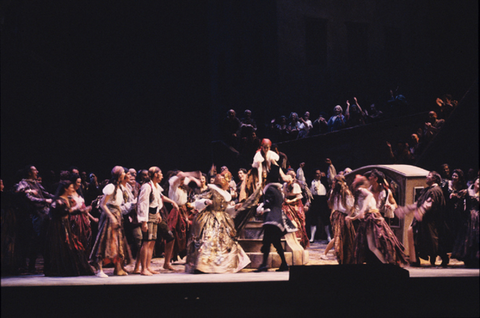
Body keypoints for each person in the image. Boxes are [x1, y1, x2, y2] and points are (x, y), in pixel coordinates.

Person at [185, 170, 251, 273]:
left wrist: (234, 208)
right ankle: (203, 265)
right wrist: (205, 202)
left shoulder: (226, 194)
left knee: (226, 242)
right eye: (227, 182)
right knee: (208, 239)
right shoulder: (212, 190)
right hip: (210, 218)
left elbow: (226, 208)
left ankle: (223, 265)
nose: (229, 184)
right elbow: (198, 200)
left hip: (223, 219)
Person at [347, 175, 407, 266]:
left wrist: (362, 210)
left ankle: (386, 263)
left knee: (373, 246)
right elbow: (361, 212)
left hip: (371, 218)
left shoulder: (361, 190)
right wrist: (352, 218)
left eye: (355, 180)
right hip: (373, 217)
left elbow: (369, 197)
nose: (353, 181)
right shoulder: (362, 192)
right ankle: (386, 263)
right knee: (375, 245)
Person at [395, 171, 450, 267]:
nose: (426, 177)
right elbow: (418, 203)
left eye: (429, 175)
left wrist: (421, 211)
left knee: (432, 241)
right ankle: (415, 260)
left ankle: (443, 258)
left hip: (431, 222)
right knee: (416, 238)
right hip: (423, 221)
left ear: (434, 179)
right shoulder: (427, 190)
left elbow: (429, 203)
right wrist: (405, 209)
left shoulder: (435, 191)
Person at [43, 180, 95, 277]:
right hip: (58, 227)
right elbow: (63, 212)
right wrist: (77, 208)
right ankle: (60, 269)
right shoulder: (58, 200)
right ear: (65, 189)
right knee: (61, 246)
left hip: (66, 225)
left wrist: (83, 210)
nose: (73, 189)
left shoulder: (67, 199)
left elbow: (70, 212)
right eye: (71, 187)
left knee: (72, 246)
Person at [90, 166, 132, 278]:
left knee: (117, 243)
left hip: (117, 214)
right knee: (104, 241)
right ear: (118, 175)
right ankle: (99, 269)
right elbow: (103, 204)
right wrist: (111, 217)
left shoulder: (119, 187)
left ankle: (118, 268)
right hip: (109, 216)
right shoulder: (111, 187)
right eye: (123, 172)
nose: (125, 174)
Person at [136, 167, 178, 274]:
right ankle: (143, 268)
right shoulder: (147, 186)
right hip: (148, 215)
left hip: (154, 214)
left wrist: (158, 212)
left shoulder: (156, 186)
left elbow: (159, 199)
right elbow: (143, 204)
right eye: (160, 173)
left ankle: (148, 266)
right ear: (155, 174)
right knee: (146, 242)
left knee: (152, 242)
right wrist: (144, 221)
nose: (162, 176)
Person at [14, 165, 54, 273]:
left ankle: (45, 265)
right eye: (34, 170)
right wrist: (44, 200)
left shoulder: (35, 183)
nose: (37, 171)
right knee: (37, 240)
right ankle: (31, 265)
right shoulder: (24, 183)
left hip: (44, 213)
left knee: (43, 239)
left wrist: (59, 197)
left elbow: (46, 193)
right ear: (29, 172)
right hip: (35, 215)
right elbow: (28, 197)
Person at [255, 183, 297, 272]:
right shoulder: (278, 191)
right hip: (277, 218)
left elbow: (268, 202)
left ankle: (264, 265)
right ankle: (283, 264)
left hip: (272, 219)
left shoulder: (270, 189)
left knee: (267, 242)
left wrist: (261, 206)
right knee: (275, 242)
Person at [168, 170, 202, 264]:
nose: (183, 180)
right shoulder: (173, 186)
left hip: (183, 210)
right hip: (176, 211)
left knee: (186, 233)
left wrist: (194, 177)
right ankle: (170, 257)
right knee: (175, 233)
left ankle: (186, 255)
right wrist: (187, 174)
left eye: (183, 179)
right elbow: (177, 179)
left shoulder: (182, 185)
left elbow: (190, 179)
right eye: (181, 179)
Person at [320, 175, 355, 263]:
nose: (334, 184)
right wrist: (332, 214)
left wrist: (349, 217)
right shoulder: (335, 193)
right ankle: (325, 253)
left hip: (343, 216)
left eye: (335, 182)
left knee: (347, 236)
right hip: (339, 216)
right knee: (338, 236)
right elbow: (334, 206)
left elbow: (352, 207)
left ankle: (347, 256)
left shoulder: (346, 192)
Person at [452, 178, 479, 268]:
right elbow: (458, 198)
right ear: (474, 183)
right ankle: (468, 258)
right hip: (469, 217)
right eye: (478, 182)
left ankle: (476, 258)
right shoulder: (468, 192)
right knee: (468, 237)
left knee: (476, 238)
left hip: (478, 218)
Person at [69, 174, 98, 255]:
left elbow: (84, 210)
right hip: (74, 220)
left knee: (86, 239)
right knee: (77, 240)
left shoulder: (78, 193)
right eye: (78, 182)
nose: (79, 184)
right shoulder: (68, 195)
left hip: (83, 219)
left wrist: (93, 218)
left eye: (80, 182)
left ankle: (84, 260)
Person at [282, 170, 309, 249]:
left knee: (298, 222)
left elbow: (299, 197)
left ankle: (299, 241)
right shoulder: (285, 185)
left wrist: (291, 201)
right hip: (287, 203)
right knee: (287, 218)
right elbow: (284, 194)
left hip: (296, 204)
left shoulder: (296, 185)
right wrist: (285, 200)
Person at [442, 169, 467, 251]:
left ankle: (454, 248)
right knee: (446, 228)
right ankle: (446, 248)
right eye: (453, 175)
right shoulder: (446, 184)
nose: (454, 177)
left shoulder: (461, 187)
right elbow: (443, 195)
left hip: (456, 211)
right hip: (447, 209)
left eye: (456, 176)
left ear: (459, 178)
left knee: (455, 228)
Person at [309, 170, 330, 243]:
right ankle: (312, 237)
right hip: (315, 200)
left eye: (319, 174)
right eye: (317, 174)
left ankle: (328, 236)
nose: (318, 175)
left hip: (323, 200)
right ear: (314, 175)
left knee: (325, 219)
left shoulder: (324, 181)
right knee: (313, 219)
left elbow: (330, 182)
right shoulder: (311, 182)